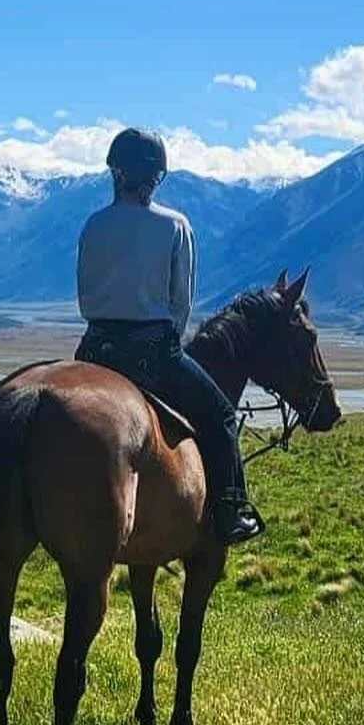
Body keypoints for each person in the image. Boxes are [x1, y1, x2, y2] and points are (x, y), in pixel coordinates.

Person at [75, 127, 265, 545]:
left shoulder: (93, 225)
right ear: (155, 178)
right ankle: (231, 509)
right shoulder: (175, 226)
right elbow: (181, 303)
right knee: (220, 416)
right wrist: (169, 342)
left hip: (94, 348)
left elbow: (85, 296)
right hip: (154, 353)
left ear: (115, 173)